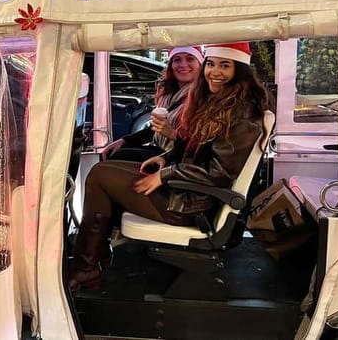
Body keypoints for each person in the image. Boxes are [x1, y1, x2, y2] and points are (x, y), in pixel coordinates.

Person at [68, 42, 270, 290]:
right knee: (104, 171)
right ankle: (92, 259)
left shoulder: (241, 114)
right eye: (211, 64)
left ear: (239, 71)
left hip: (191, 204)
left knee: (100, 176)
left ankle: (86, 266)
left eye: (224, 66)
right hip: (188, 190)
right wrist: (168, 157)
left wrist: (165, 175)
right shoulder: (219, 102)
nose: (214, 72)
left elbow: (219, 174)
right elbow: (198, 147)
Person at [102, 46, 204, 162]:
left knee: (119, 158)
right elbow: (156, 129)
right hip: (161, 149)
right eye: (177, 60)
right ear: (171, 65)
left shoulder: (203, 96)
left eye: (190, 59)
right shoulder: (168, 93)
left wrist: (172, 133)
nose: (183, 65)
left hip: (180, 157)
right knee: (114, 153)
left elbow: (203, 145)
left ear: (200, 64)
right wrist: (125, 141)